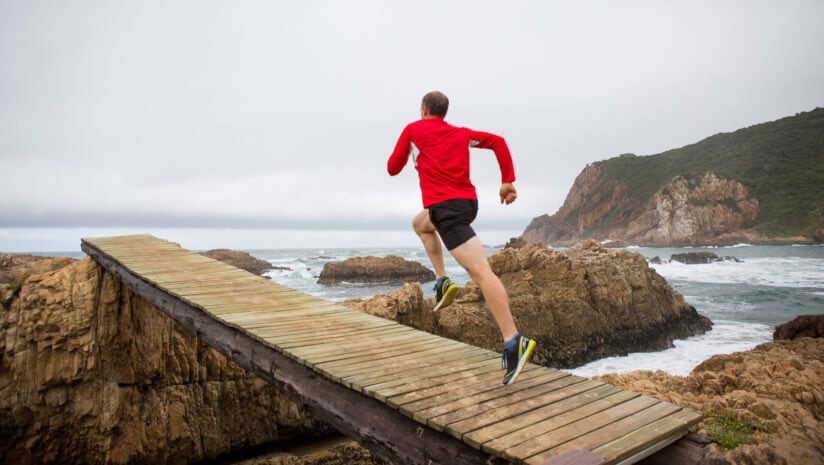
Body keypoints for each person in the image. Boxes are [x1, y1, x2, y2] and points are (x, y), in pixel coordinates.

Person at [387, 90, 535, 385]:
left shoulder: (414, 130)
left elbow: (392, 168)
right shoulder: (461, 133)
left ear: (424, 109)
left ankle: (513, 340)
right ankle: (443, 281)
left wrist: (412, 151)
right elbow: (498, 142)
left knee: (482, 273)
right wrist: (507, 180)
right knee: (420, 224)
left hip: (447, 210)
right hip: (466, 205)